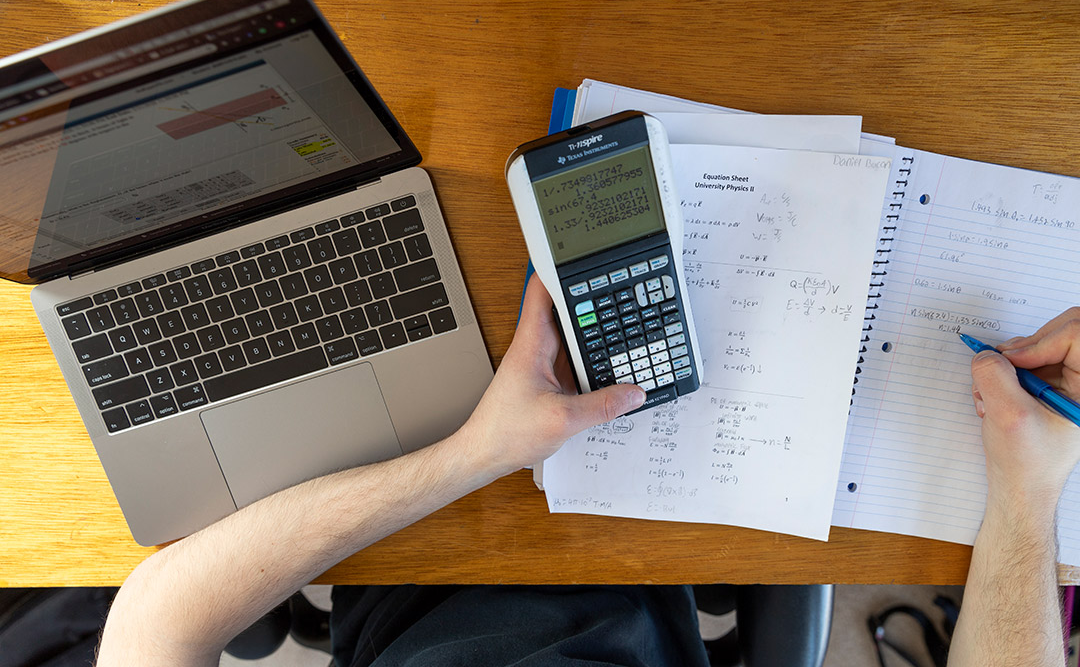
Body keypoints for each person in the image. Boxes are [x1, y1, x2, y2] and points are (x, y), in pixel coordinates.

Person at [93, 282, 1080, 667]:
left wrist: (472, 456)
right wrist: (1029, 500)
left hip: (415, 561)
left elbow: (156, 621)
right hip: (647, 573)